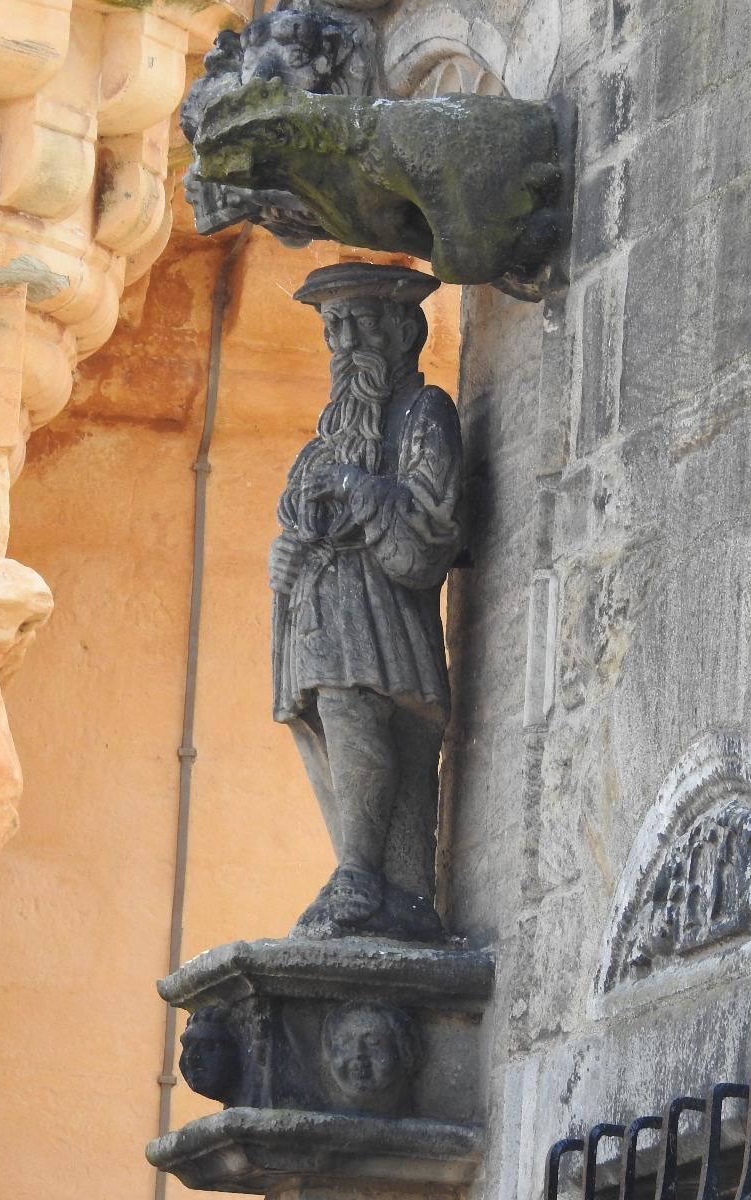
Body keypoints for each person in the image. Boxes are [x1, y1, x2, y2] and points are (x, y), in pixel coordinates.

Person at [269, 264, 464, 940]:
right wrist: (283, 557)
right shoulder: (322, 444)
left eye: (361, 323)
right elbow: (295, 522)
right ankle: (372, 877)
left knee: (362, 718)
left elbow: (431, 525)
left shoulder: (423, 413)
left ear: (403, 331)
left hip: (381, 616)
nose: (347, 342)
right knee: (331, 723)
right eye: (335, 328)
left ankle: (364, 875)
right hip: (319, 612)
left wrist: (358, 487)